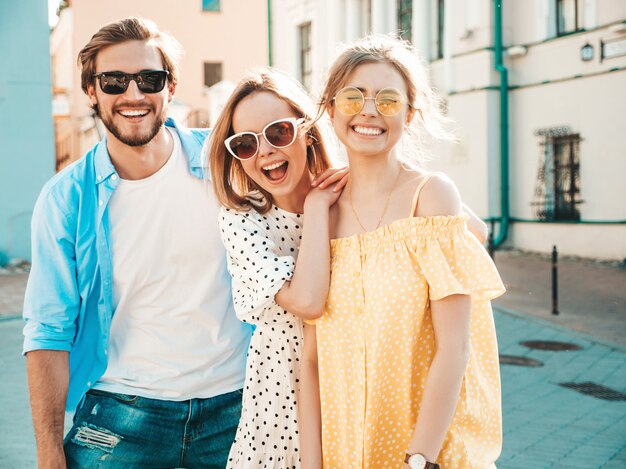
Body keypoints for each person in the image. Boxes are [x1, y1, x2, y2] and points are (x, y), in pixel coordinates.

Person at [23, 17, 252, 468]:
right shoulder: (66, 199)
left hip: (238, 408)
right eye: (114, 81)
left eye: (150, 79)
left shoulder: (228, 165)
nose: (133, 94)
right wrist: (49, 452)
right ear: (91, 90)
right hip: (120, 415)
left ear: (171, 87)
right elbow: (48, 331)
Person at [300, 35, 506, 469]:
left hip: (426, 452)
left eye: (388, 100)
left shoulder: (430, 197)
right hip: (345, 450)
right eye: (353, 96)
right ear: (331, 107)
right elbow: (313, 362)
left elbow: (456, 347)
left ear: (411, 115)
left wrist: (420, 459)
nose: (370, 111)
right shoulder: (322, 212)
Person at [208, 68, 347, 469]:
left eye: (279, 132)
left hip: (347, 371)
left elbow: (462, 227)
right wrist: (318, 209)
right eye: (245, 143)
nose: (264, 150)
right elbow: (306, 301)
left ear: (307, 130)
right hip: (280, 393)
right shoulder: (241, 219)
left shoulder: (350, 194)